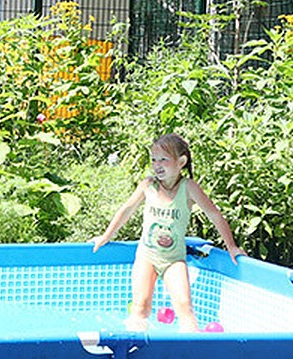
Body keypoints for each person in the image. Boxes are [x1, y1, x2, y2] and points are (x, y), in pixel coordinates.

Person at [92, 133, 241, 331]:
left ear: (181, 162)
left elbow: (214, 215)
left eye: (163, 159)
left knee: (184, 308)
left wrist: (231, 246)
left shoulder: (189, 187)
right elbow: (127, 209)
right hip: (146, 256)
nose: (157, 165)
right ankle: (134, 350)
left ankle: (191, 349)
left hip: (174, 259)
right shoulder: (148, 185)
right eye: (154, 160)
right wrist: (106, 236)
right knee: (140, 307)